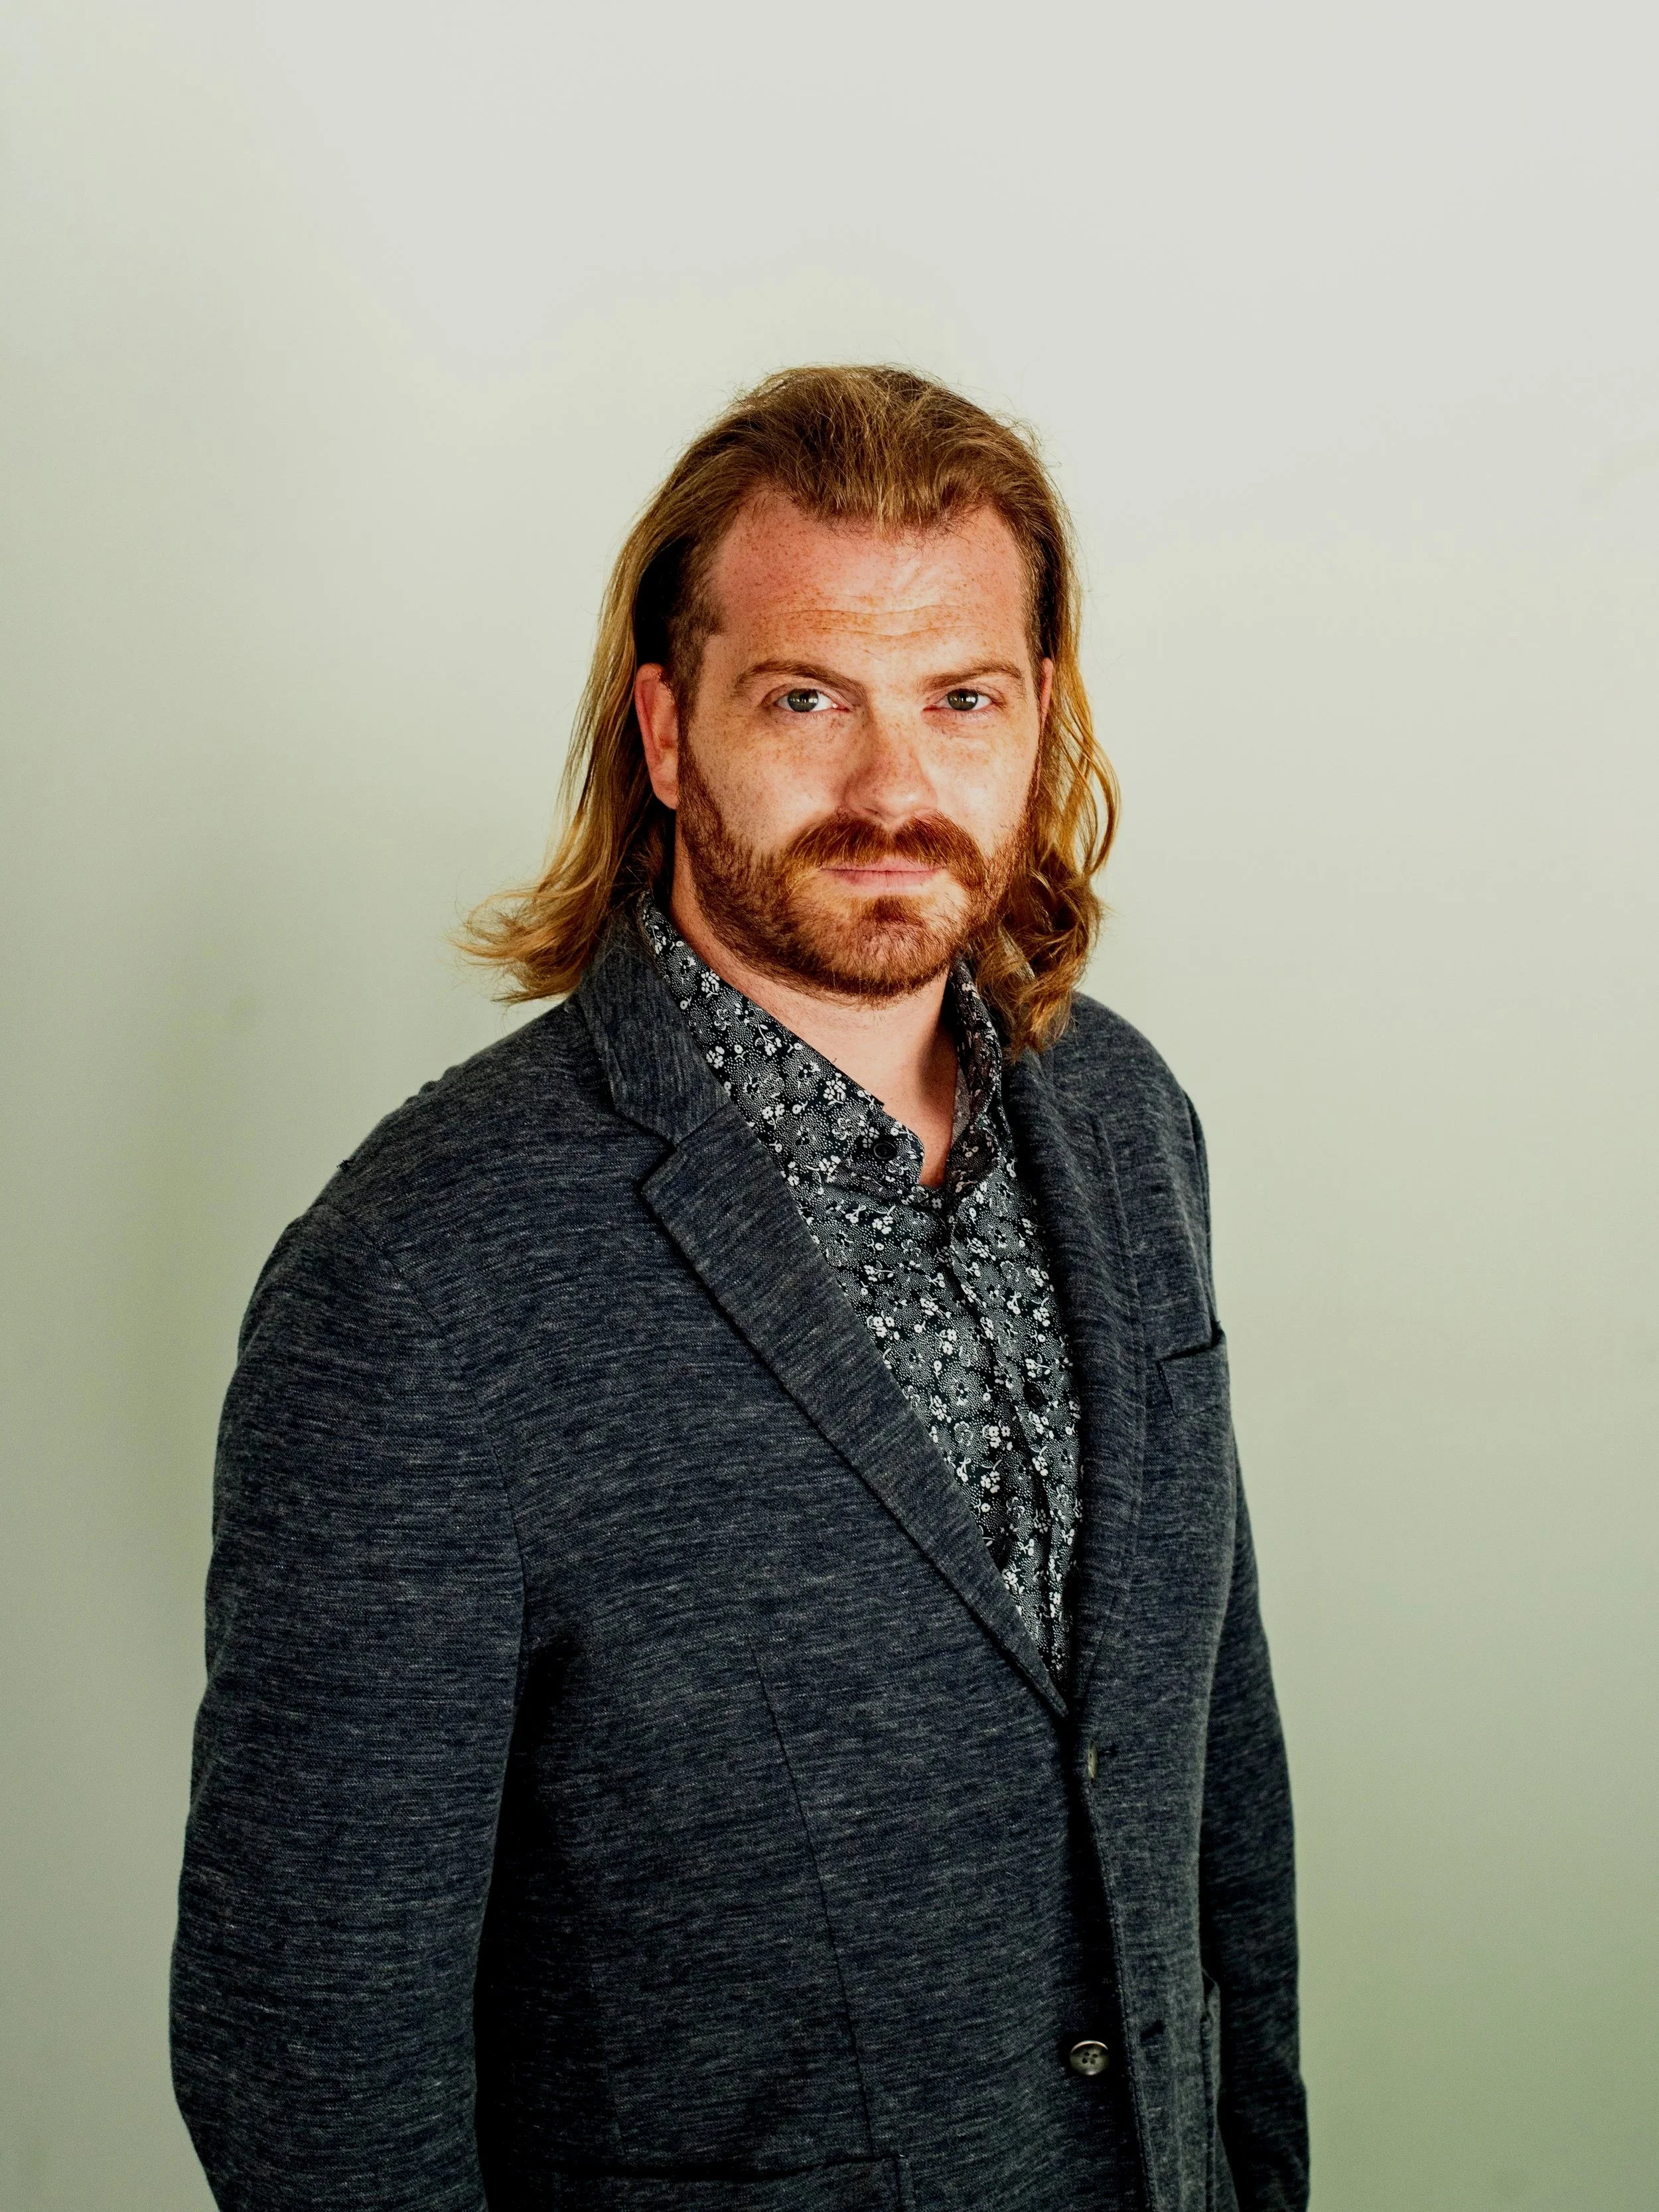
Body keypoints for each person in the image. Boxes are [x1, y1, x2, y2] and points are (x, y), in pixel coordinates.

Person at [171, 364, 1308, 2212]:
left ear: (1042, 719)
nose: (893, 785)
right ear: (668, 728)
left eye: (961, 700)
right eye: (804, 698)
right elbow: (309, 2053)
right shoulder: (415, 1283)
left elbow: (1213, 1782)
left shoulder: (1127, 1121)